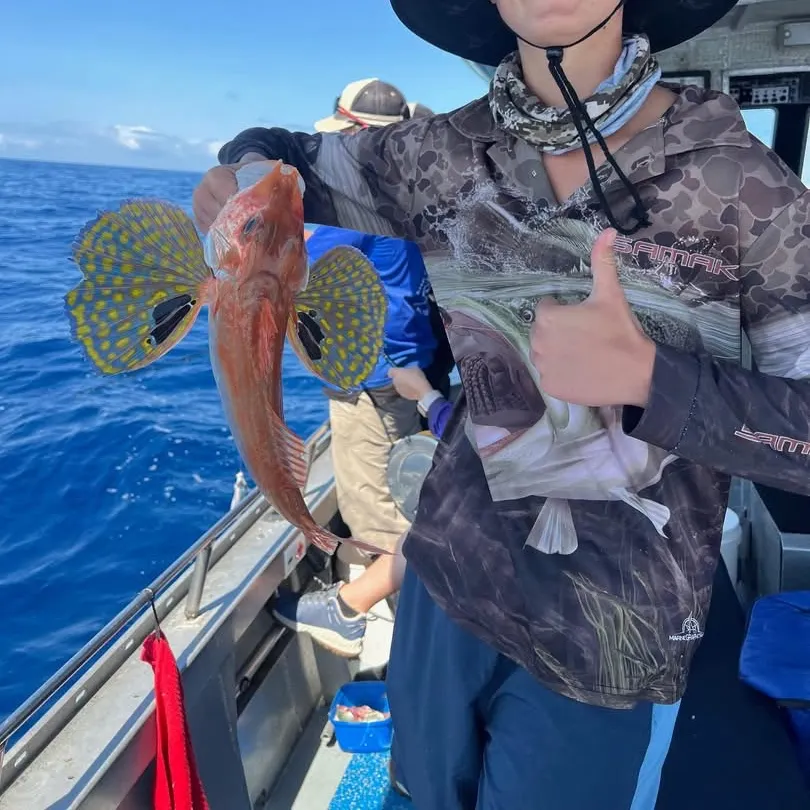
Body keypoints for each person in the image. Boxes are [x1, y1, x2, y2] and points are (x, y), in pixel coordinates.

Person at [193, 0, 810, 806]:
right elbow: (283, 156)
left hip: (608, 633)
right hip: (447, 581)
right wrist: (239, 175)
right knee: (420, 792)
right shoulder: (436, 153)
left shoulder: (746, 187)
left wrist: (652, 380)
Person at [268, 81, 453, 658]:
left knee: (377, 508)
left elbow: (386, 292)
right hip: (411, 370)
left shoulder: (357, 205)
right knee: (403, 492)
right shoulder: (410, 190)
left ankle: (370, 623)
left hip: (375, 382)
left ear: (352, 135)